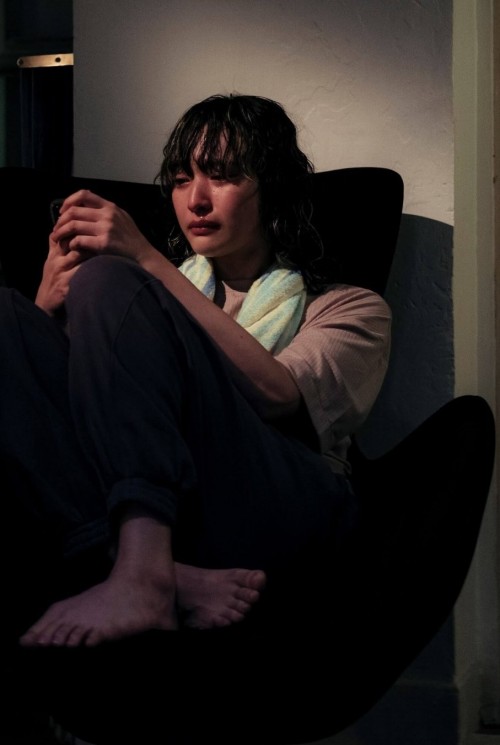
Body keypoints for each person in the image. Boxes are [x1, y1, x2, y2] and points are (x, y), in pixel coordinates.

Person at [2, 93, 391, 649]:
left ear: (272, 187)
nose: (196, 200)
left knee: (108, 280)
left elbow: (280, 396)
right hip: (172, 498)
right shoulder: (137, 302)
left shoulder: (351, 307)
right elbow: (56, 416)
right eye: (181, 180)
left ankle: (142, 570)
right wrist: (44, 305)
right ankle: (151, 569)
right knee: (9, 313)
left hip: (281, 502)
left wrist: (144, 263)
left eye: (223, 176)